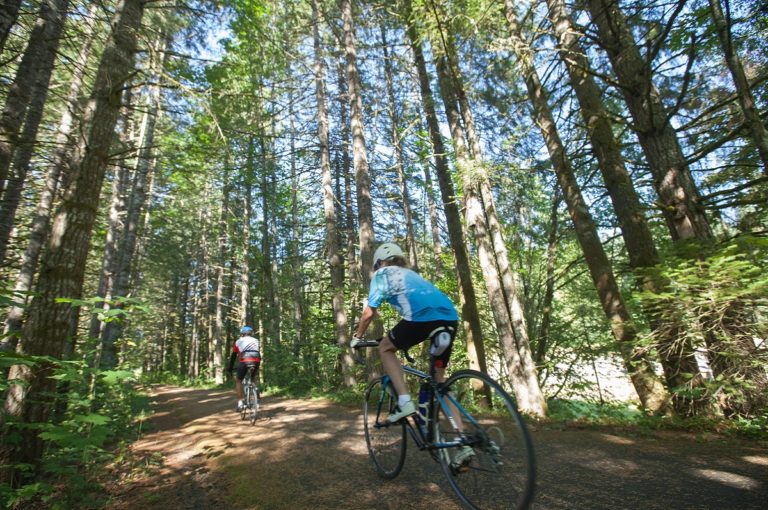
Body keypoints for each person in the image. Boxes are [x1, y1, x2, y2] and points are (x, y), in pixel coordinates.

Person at [351, 242, 473, 465]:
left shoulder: (381, 274)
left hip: (421, 320)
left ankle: (406, 401)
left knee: (386, 348)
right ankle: (462, 441)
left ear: (379, 263)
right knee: (440, 381)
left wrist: (357, 337)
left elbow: (370, 312)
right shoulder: (411, 274)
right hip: (449, 319)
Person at [228, 325, 261, 411]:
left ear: (242, 333)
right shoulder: (256, 340)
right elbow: (257, 351)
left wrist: (230, 368)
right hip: (256, 360)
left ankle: (240, 403)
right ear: (251, 333)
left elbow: (234, 355)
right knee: (253, 378)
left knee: (239, 380)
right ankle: (256, 389)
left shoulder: (239, 341)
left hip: (245, 361)